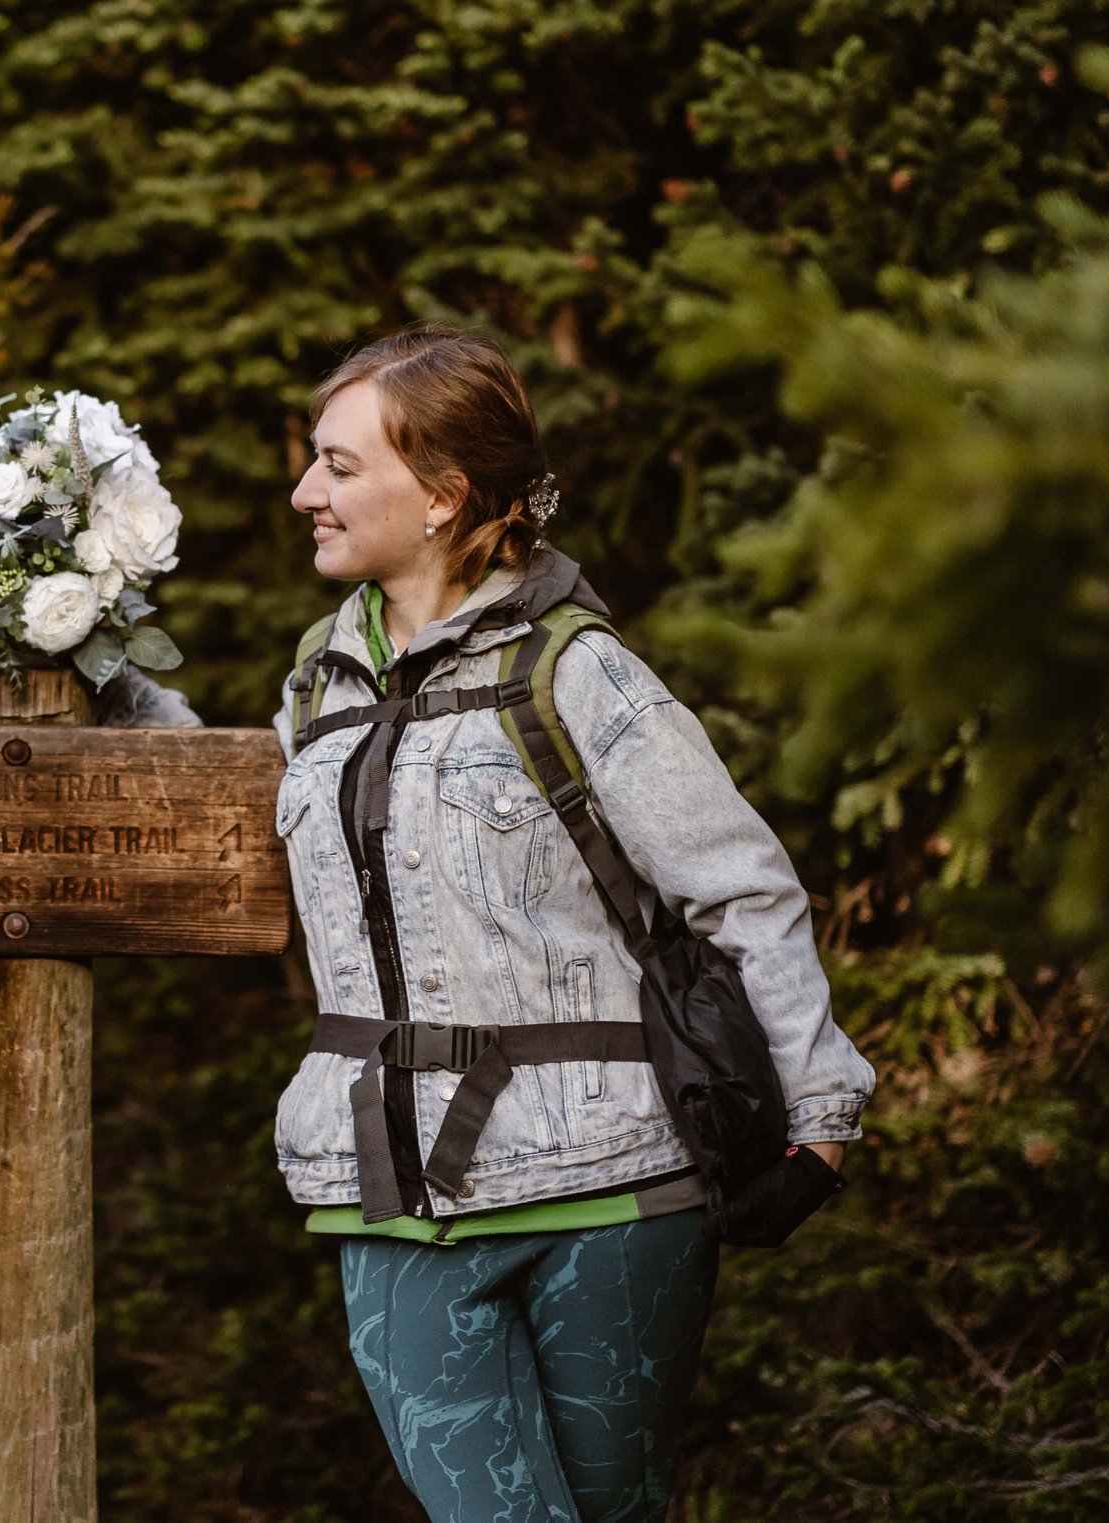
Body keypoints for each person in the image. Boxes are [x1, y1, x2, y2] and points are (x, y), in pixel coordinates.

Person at [272, 324, 874, 1523]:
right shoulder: (315, 685)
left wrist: (819, 1117)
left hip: (614, 1190)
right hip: (388, 1194)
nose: (306, 492)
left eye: (340, 466)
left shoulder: (578, 674)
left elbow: (740, 886)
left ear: (441, 497)